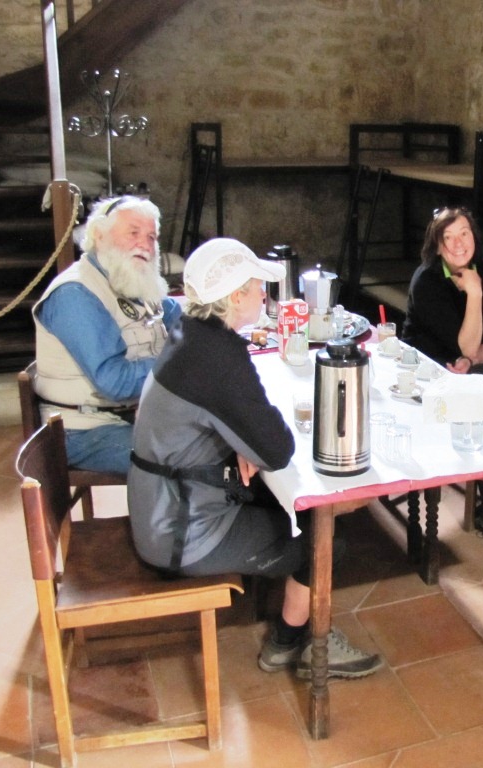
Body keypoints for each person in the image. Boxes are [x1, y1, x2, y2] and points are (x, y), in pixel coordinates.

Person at [127, 237, 383, 680]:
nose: (264, 293)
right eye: (257, 286)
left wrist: (240, 442)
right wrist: (249, 442)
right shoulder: (218, 357)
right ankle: (290, 644)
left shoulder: (192, 335)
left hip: (160, 504)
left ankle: (290, 629)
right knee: (323, 541)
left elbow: (234, 426)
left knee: (283, 502)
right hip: (180, 532)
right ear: (234, 297)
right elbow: (277, 449)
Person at [402, 206, 483, 553]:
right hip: (427, 369)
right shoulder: (427, 280)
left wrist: (471, 361)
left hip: (466, 367)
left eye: (464, 234)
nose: (458, 244)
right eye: (448, 237)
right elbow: (463, 344)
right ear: (437, 245)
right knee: (477, 405)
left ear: (475, 237)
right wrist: (474, 293)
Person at [32, 196, 181, 474]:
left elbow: (179, 318)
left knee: (223, 438)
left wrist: (220, 324)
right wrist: (182, 363)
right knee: (193, 457)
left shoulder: (129, 279)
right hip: (85, 431)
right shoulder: (75, 293)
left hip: (131, 415)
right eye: (133, 233)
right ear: (99, 236)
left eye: (151, 237)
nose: (145, 245)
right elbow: (115, 381)